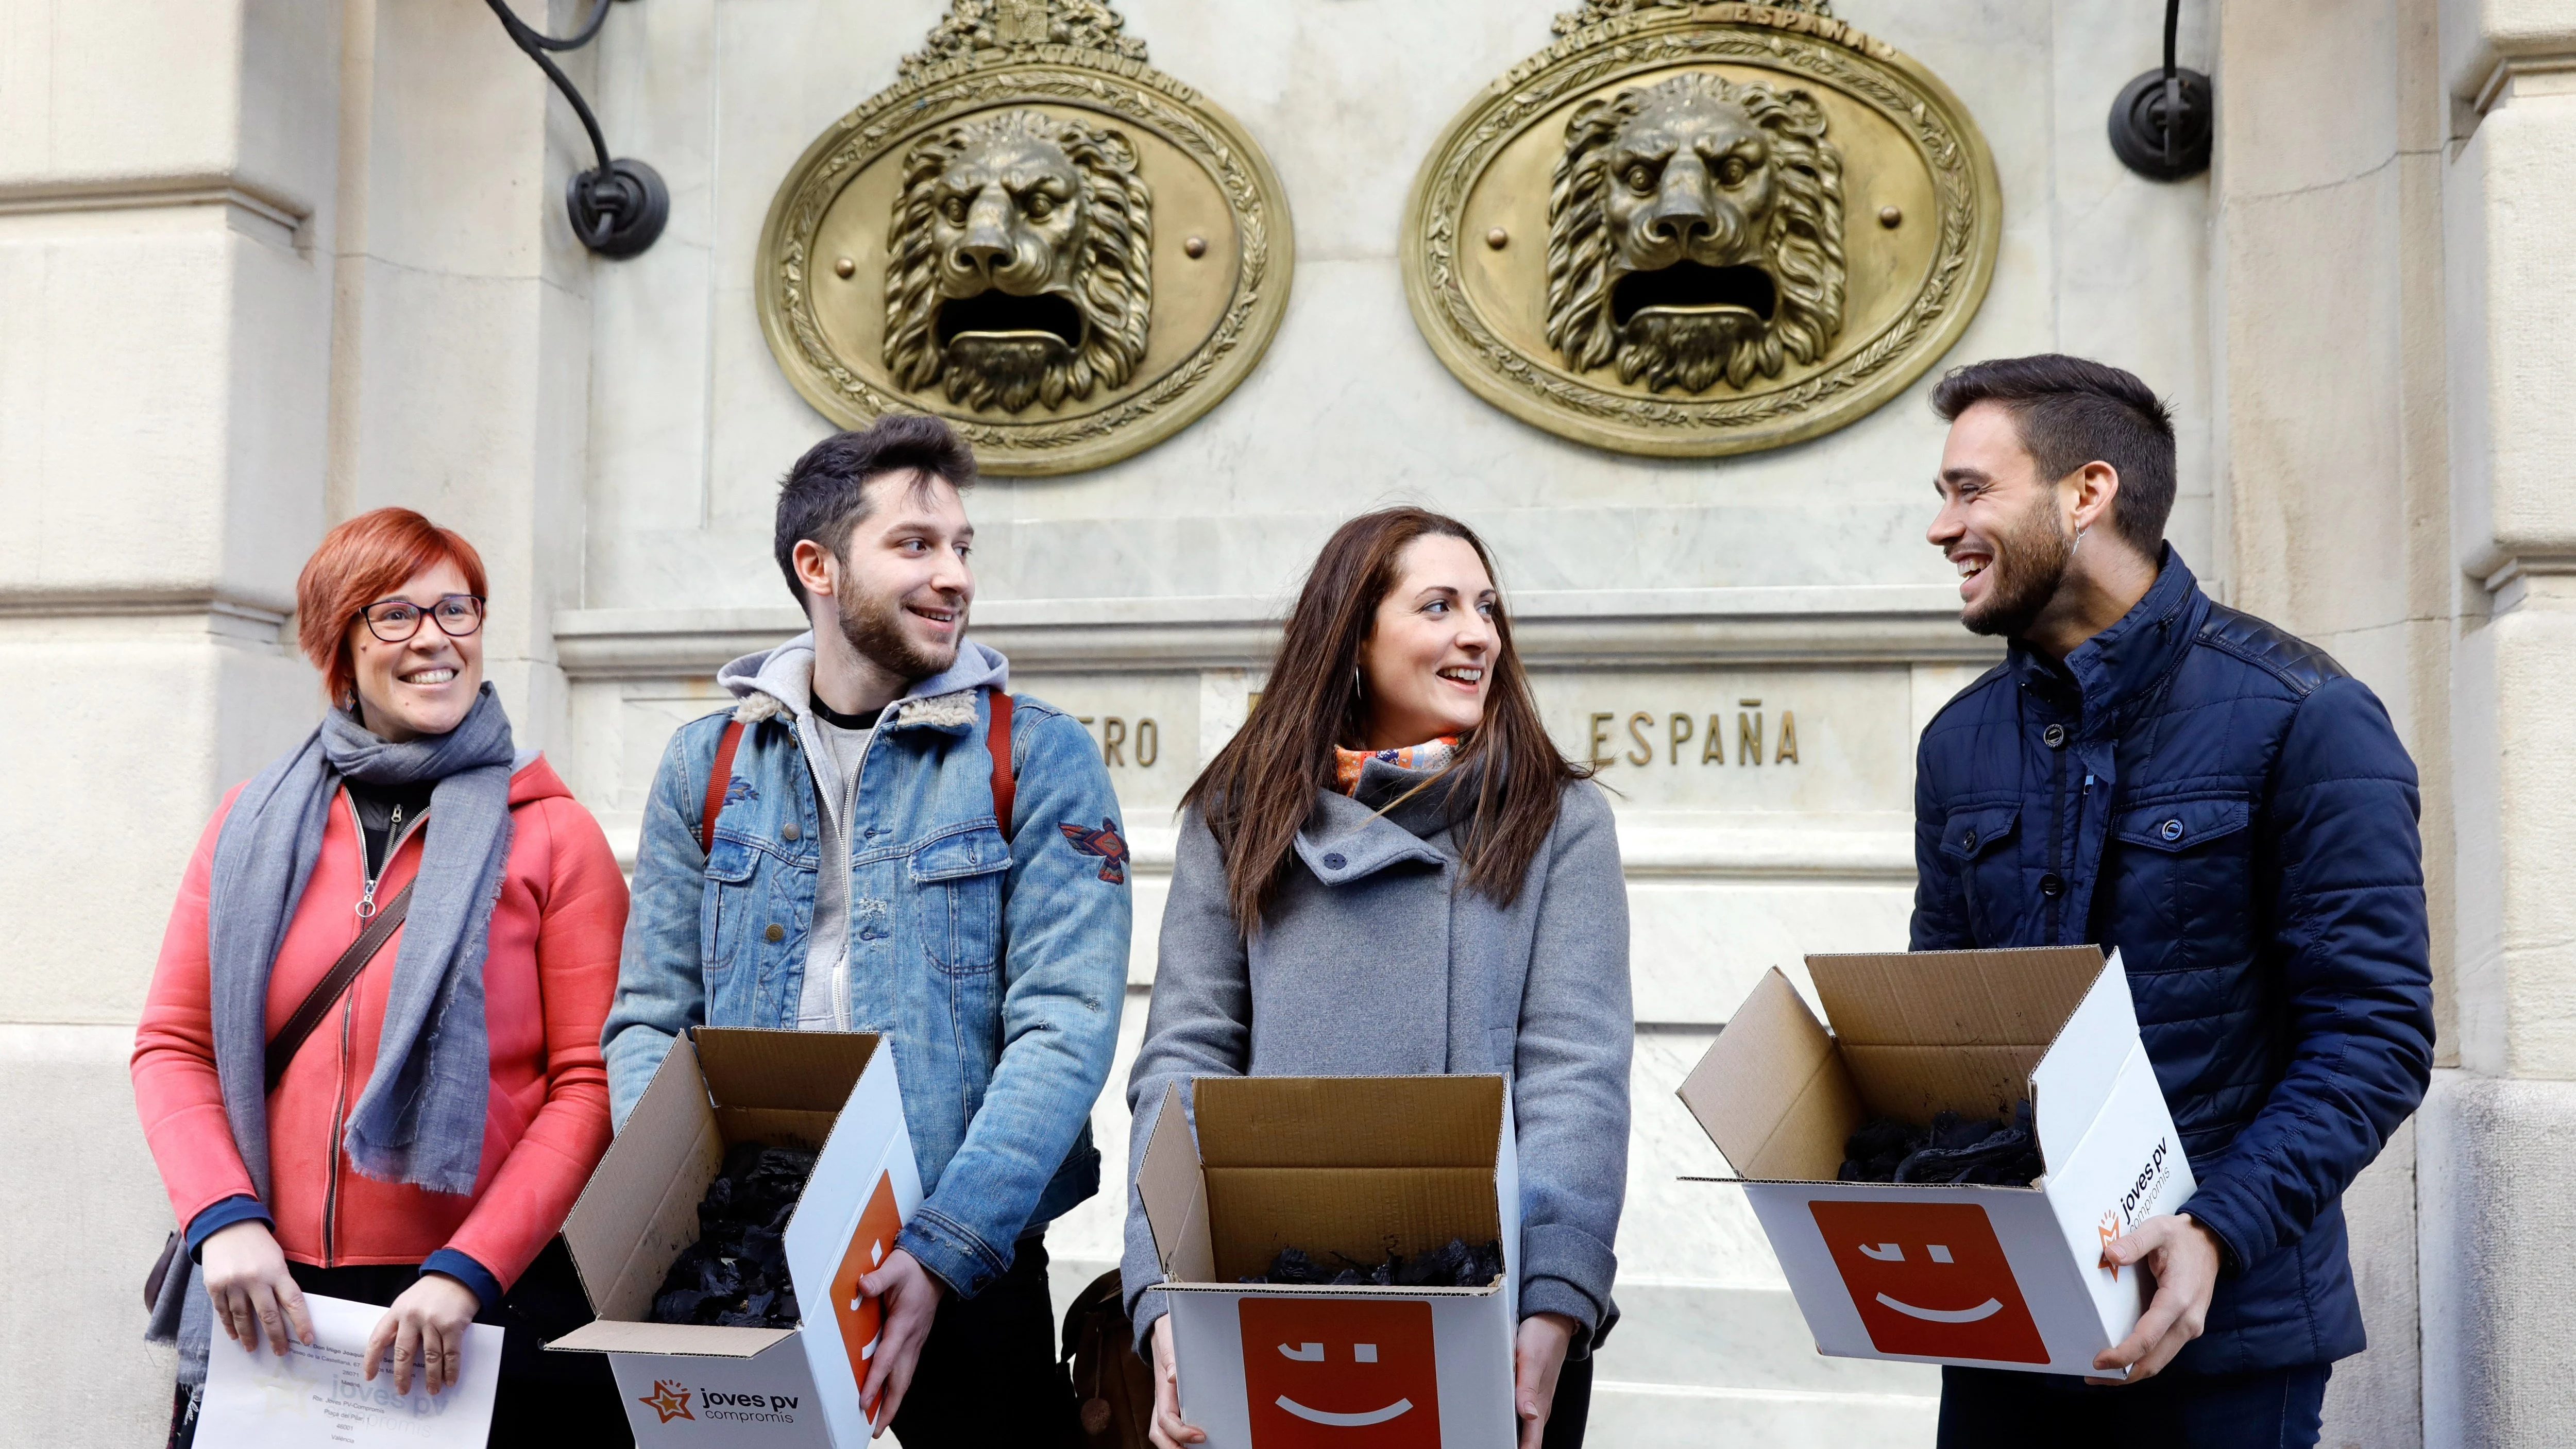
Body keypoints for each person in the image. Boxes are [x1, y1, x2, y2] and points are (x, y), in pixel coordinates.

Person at [1911, 355, 2435, 1446]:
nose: (1941, 526)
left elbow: (2374, 1034)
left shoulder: (2307, 715)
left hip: (2226, 1340)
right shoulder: (1957, 741)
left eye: (1969, 489)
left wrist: (2212, 1226)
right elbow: (1943, 1030)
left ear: (2086, 492)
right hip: (2010, 1335)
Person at [602, 414, 1130, 1443]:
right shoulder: (704, 765)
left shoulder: (1041, 757)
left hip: (971, 1276)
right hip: (755, 1272)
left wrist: (941, 1248)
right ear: (818, 565)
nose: (955, 576)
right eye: (915, 545)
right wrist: (676, 1214)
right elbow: (648, 1021)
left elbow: (1064, 1028)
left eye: (963, 547)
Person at [1122, 507, 1631, 1449]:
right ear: (1353, 635)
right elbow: (1185, 1059)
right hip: (1269, 1303)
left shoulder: (1558, 818)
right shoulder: (1238, 813)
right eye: (1437, 607)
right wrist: (1164, 1292)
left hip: (1491, 1313)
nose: (1478, 632)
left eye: (1486, 607)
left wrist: (1555, 1302)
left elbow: (1576, 1072)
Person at [133, 508, 632, 1446]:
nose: (436, 638)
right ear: (340, 644)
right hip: (273, 1300)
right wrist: (221, 1221)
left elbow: (588, 1086)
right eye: (395, 614)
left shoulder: (556, 838)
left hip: (479, 1309)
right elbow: (174, 1045)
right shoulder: (252, 823)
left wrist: (468, 1271)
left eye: (458, 609)